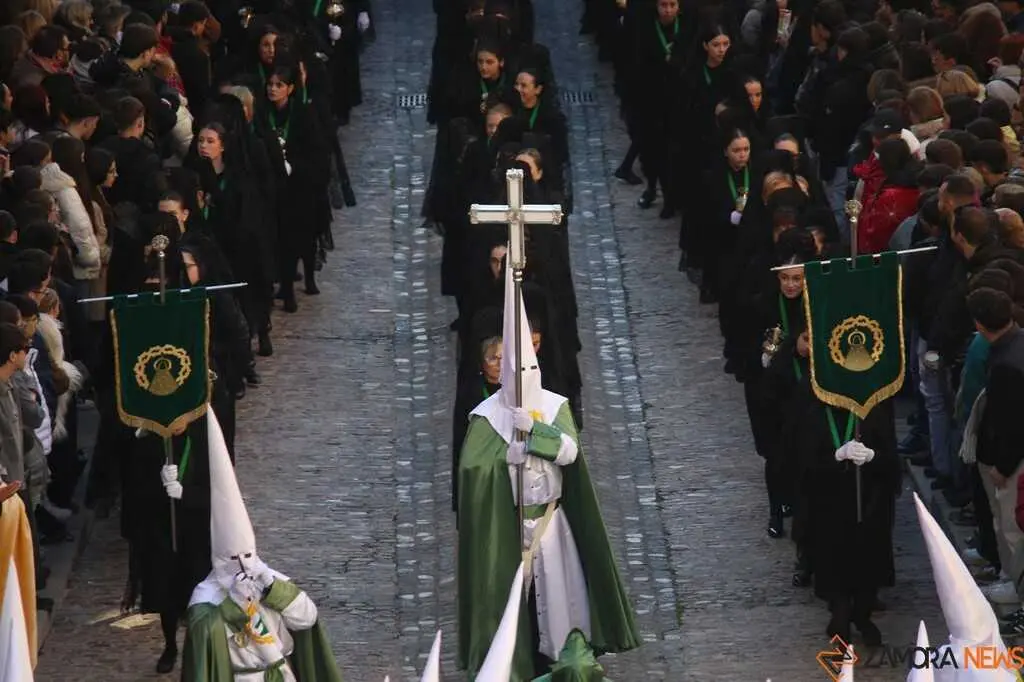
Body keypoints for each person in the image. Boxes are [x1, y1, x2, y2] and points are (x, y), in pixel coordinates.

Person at [457, 263, 639, 680]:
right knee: (510, 607)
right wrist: (505, 460)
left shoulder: (555, 406)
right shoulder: (485, 417)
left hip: (552, 525)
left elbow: (571, 452)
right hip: (506, 527)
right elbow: (473, 472)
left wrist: (535, 432)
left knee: (559, 603)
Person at [180, 412, 342, 681]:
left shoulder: (271, 581)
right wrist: (233, 605)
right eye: (234, 558)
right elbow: (202, 635)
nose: (241, 564)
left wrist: (271, 590)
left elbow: (306, 618)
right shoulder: (206, 598)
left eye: (246, 556)